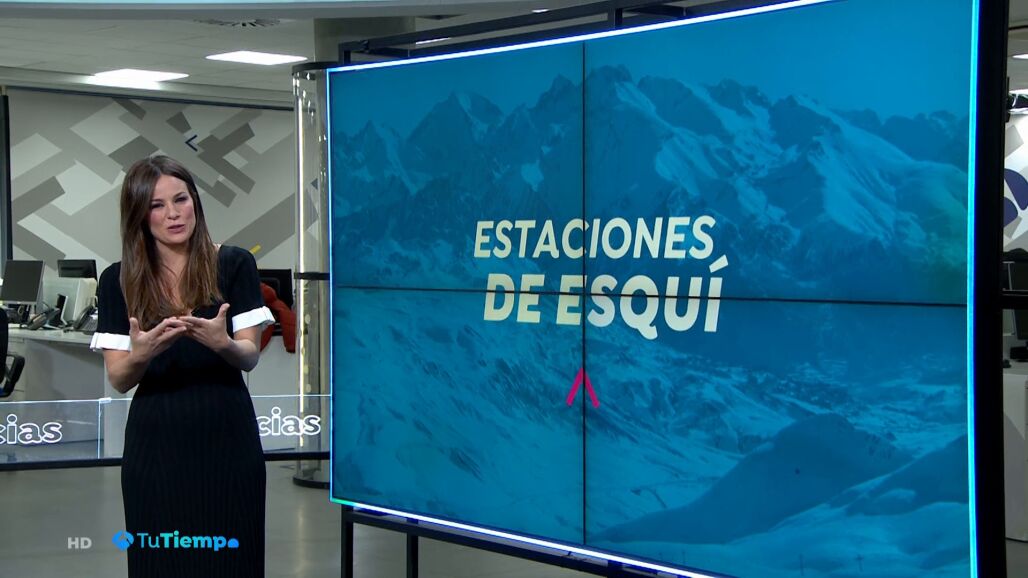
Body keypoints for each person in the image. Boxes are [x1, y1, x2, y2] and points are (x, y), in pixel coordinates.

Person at [90, 155, 273, 577]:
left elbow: (249, 356)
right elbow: (119, 379)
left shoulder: (234, 264)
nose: (173, 214)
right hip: (157, 446)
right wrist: (142, 353)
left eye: (181, 199)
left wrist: (223, 344)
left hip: (227, 438)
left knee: (232, 561)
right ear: (139, 215)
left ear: (195, 202)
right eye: (157, 205)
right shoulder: (118, 280)